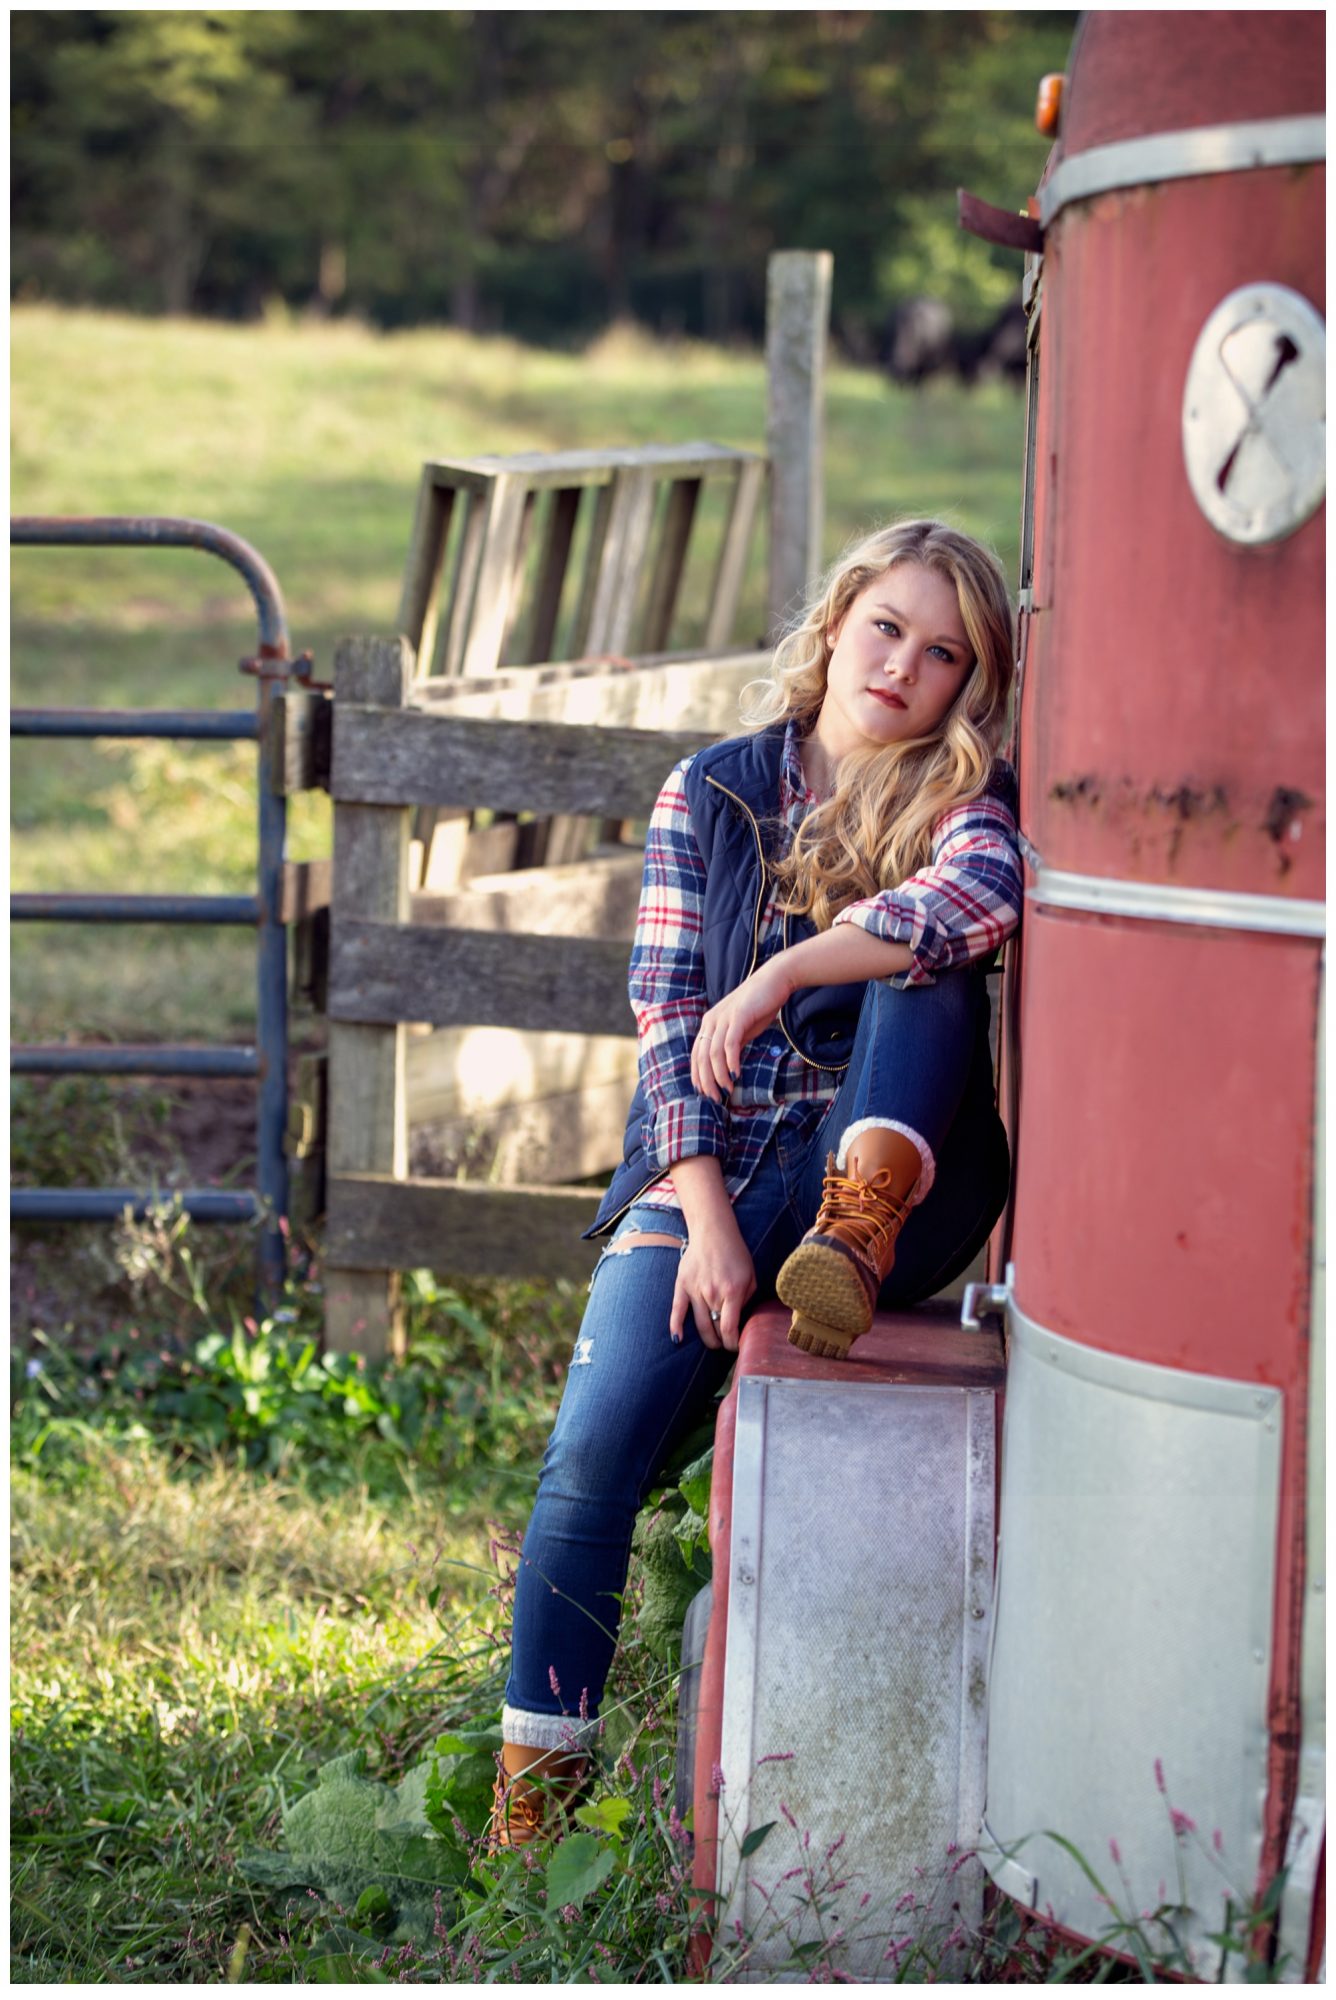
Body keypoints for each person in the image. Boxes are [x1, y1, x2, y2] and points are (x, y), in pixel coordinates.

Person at [490, 518, 1021, 1844]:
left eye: (942, 652)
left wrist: (789, 968)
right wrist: (709, 1230)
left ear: (968, 683)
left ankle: (849, 1241)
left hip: (883, 1172)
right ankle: (532, 1800)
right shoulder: (711, 792)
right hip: (713, 1172)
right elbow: (668, 1022)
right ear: (839, 623)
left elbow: (981, 902)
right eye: (888, 627)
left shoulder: (961, 802)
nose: (904, 665)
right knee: (589, 1462)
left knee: (924, 961)